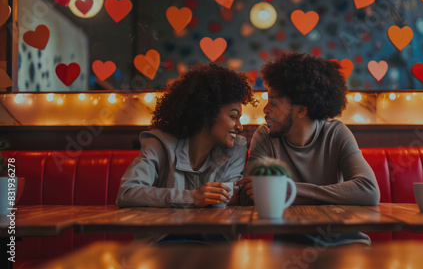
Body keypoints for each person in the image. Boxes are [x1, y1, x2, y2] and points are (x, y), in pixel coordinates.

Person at [236, 52, 380, 246]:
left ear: (301, 110)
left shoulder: (336, 133)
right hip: (290, 249)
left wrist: (291, 190)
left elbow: (368, 190)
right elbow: (250, 196)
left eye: (274, 103)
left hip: (347, 244)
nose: (265, 109)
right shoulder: (265, 136)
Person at [116, 63, 255, 243]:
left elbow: (228, 199)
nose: (239, 126)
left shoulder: (236, 148)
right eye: (234, 116)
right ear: (207, 113)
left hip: (218, 242)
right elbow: (127, 192)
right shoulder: (160, 143)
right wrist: (193, 197)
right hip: (164, 240)